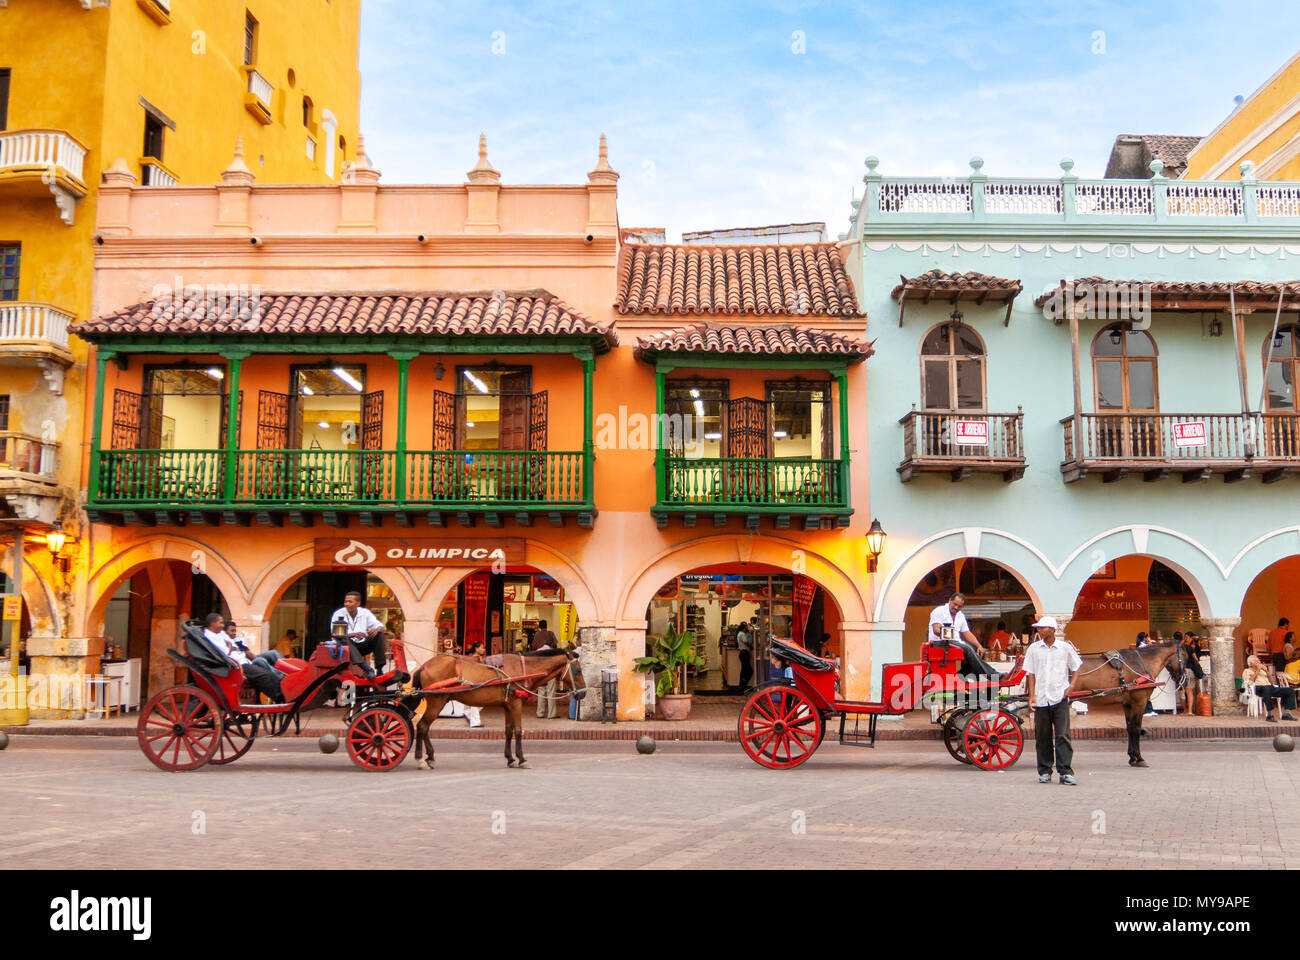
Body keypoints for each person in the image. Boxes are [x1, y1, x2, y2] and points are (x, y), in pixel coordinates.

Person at [1022, 615, 1082, 785]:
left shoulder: (1065, 648)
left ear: (1052, 630)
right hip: (1041, 698)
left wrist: (1071, 686)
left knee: (1063, 735)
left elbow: (1076, 667)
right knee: (1043, 736)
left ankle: (1065, 771)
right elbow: (1031, 674)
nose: (1039, 630)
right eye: (1039, 628)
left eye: (1043, 628)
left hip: (1059, 696)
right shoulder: (1034, 649)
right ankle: (1044, 771)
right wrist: (1031, 696)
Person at [203, 613, 284, 703]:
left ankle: (285, 677)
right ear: (212, 623)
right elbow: (226, 652)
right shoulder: (209, 636)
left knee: (271, 657)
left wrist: (232, 646)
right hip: (235, 666)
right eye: (220, 623)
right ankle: (280, 696)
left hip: (242, 660)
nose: (222, 625)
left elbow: (233, 646)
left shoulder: (221, 633)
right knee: (265, 675)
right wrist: (231, 647)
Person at [928, 593, 998, 677]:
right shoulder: (939, 611)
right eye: (955, 604)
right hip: (939, 643)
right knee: (968, 648)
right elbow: (936, 630)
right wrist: (949, 634)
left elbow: (967, 633)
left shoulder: (960, 615)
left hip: (954, 643)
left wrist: (979, 646)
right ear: (950, 600)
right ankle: (994, 675)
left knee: (980, 652)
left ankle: (959, 676)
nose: (956, 607)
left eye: (959, 606)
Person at [330, 590, 387, 678]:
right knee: (342, 638)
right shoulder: (338, 614)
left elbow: (380, 626)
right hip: (346, 647)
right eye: (345, 602)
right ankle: (367, 668)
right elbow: (335, 634)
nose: (347, 604)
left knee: (379, 635)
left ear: (358, 603)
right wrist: (353, 634)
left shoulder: (365, 613)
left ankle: (380, 670)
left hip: (362, 645)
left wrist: (375, 630)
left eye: (350, 602)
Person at [1242, 654, 1297, 722]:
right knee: (1266, 688)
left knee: (1290, 690)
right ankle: (1269, 715)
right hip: (1257, 688)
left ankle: (1286, 713)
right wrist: (1258, 670)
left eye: (1259, 661)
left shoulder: (1263, 671)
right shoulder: (1247, 671)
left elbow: (1273, 682)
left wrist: (1267, 671)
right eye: (1256, 661)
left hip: (1269, 688)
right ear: (1250, 664)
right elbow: (1249, 682)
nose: (1259, 662)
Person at [1179, 632, 1205, 715]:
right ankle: (1190, 711)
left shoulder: (1179, 648)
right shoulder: (1189, 648)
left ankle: (1184, 710)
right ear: (1189, 638)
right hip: (1189, 671)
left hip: (1180, 672)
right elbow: (1196, 659)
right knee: (1189, 691)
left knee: (1181, 692)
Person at [736, 620, 754, 689]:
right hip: (744, 653)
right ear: (744, 627)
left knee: (744, 669)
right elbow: (746, 642)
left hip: (742, 653)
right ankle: (743, 684)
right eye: (746, 627)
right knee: (748, 670)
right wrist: (751, 647)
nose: (747, 628)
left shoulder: (739, 633)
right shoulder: (742, 634)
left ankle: (742, 684)